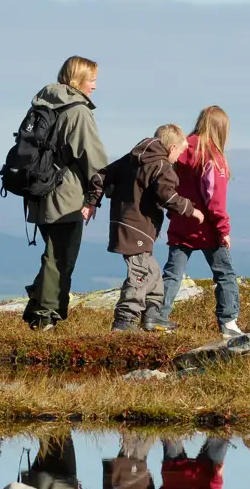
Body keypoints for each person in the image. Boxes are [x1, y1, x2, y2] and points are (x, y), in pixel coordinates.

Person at [21, 56, 109, 331]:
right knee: (61, 255)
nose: (95, 86)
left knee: (53, 251)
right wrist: (101, 190)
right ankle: (45, 316)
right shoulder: (77, 111)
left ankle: (40, 303)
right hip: (65, 193)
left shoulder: (43, 102)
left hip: (38, 189)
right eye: (91, 79)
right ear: (78, 79)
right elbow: (92, 157)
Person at [90, 124, 204, 332]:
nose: (179, 157)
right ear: (172, 148)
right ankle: (124, 321)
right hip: (138, 227)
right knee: (141, 274)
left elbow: (100, 177)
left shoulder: (132, 158)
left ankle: (152, 316)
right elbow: (167, 195)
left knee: (153, 272)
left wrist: (91, 203)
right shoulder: (161, 166)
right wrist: (191, 210)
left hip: (124, 223)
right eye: (180, 151)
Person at [144, 106, 241, 336]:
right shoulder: (213, 157)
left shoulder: (180, 148)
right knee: (224, 274)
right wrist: (223, 229)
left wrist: (172, 213)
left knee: (172, 274)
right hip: (207, 228)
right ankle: (228, 322)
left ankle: (158, 316)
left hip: (181, 223)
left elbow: (168, 186)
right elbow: (214, 199)